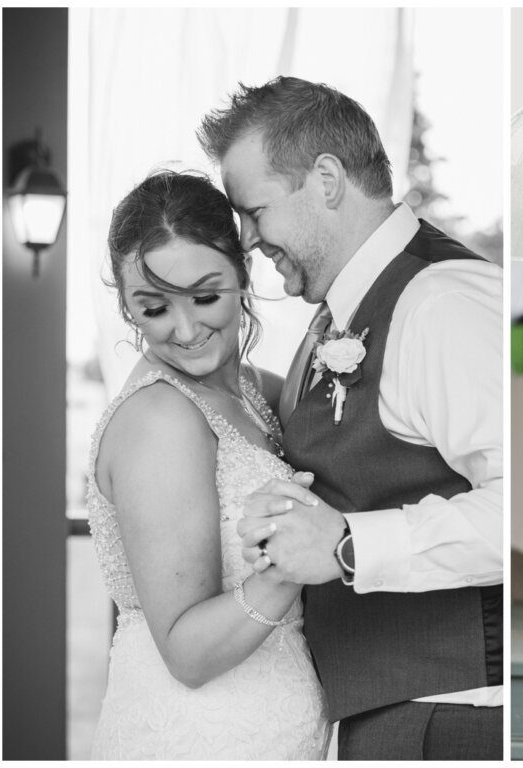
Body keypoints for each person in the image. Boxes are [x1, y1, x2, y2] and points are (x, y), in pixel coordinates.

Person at [197, 76, 503, 761]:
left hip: (455, 717)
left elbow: (518, 509)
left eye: (255, 211)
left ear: (327, 179)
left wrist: (346, 546)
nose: (247, 240)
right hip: (390, 710)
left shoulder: (440, 302)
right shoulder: (340, 313)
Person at [87, 171, 329, 759]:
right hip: (200, 734)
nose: (187, 329)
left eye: (205, 295)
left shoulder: (252, 391)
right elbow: (187, 654)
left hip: (280, 724)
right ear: (128, 308)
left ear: (243, 273)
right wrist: (289, 563)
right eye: (154, 308)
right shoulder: (159, 420)